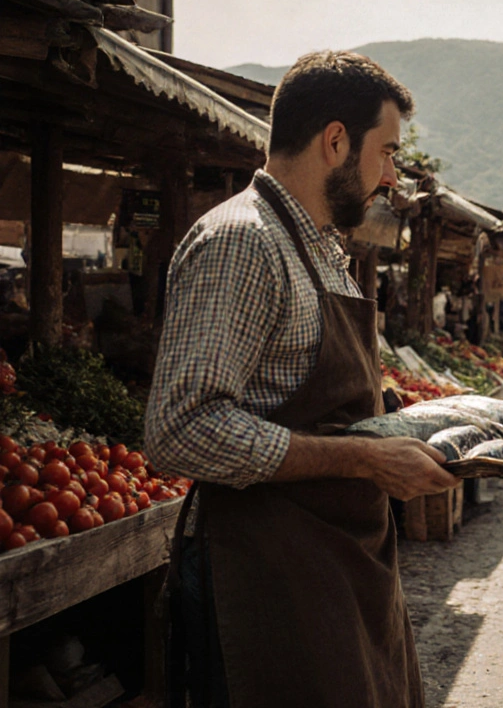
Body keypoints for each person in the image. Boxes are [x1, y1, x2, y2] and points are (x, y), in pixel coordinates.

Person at [146, 51, 460, 708]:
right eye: (387, 153)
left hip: (338, 571)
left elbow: (316, 395)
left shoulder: (321, 246)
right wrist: (362, 457)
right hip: (266, 582)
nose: (392, 178)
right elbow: (182, 431)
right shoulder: (242, 242)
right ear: (336, 140)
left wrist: (424, 421)